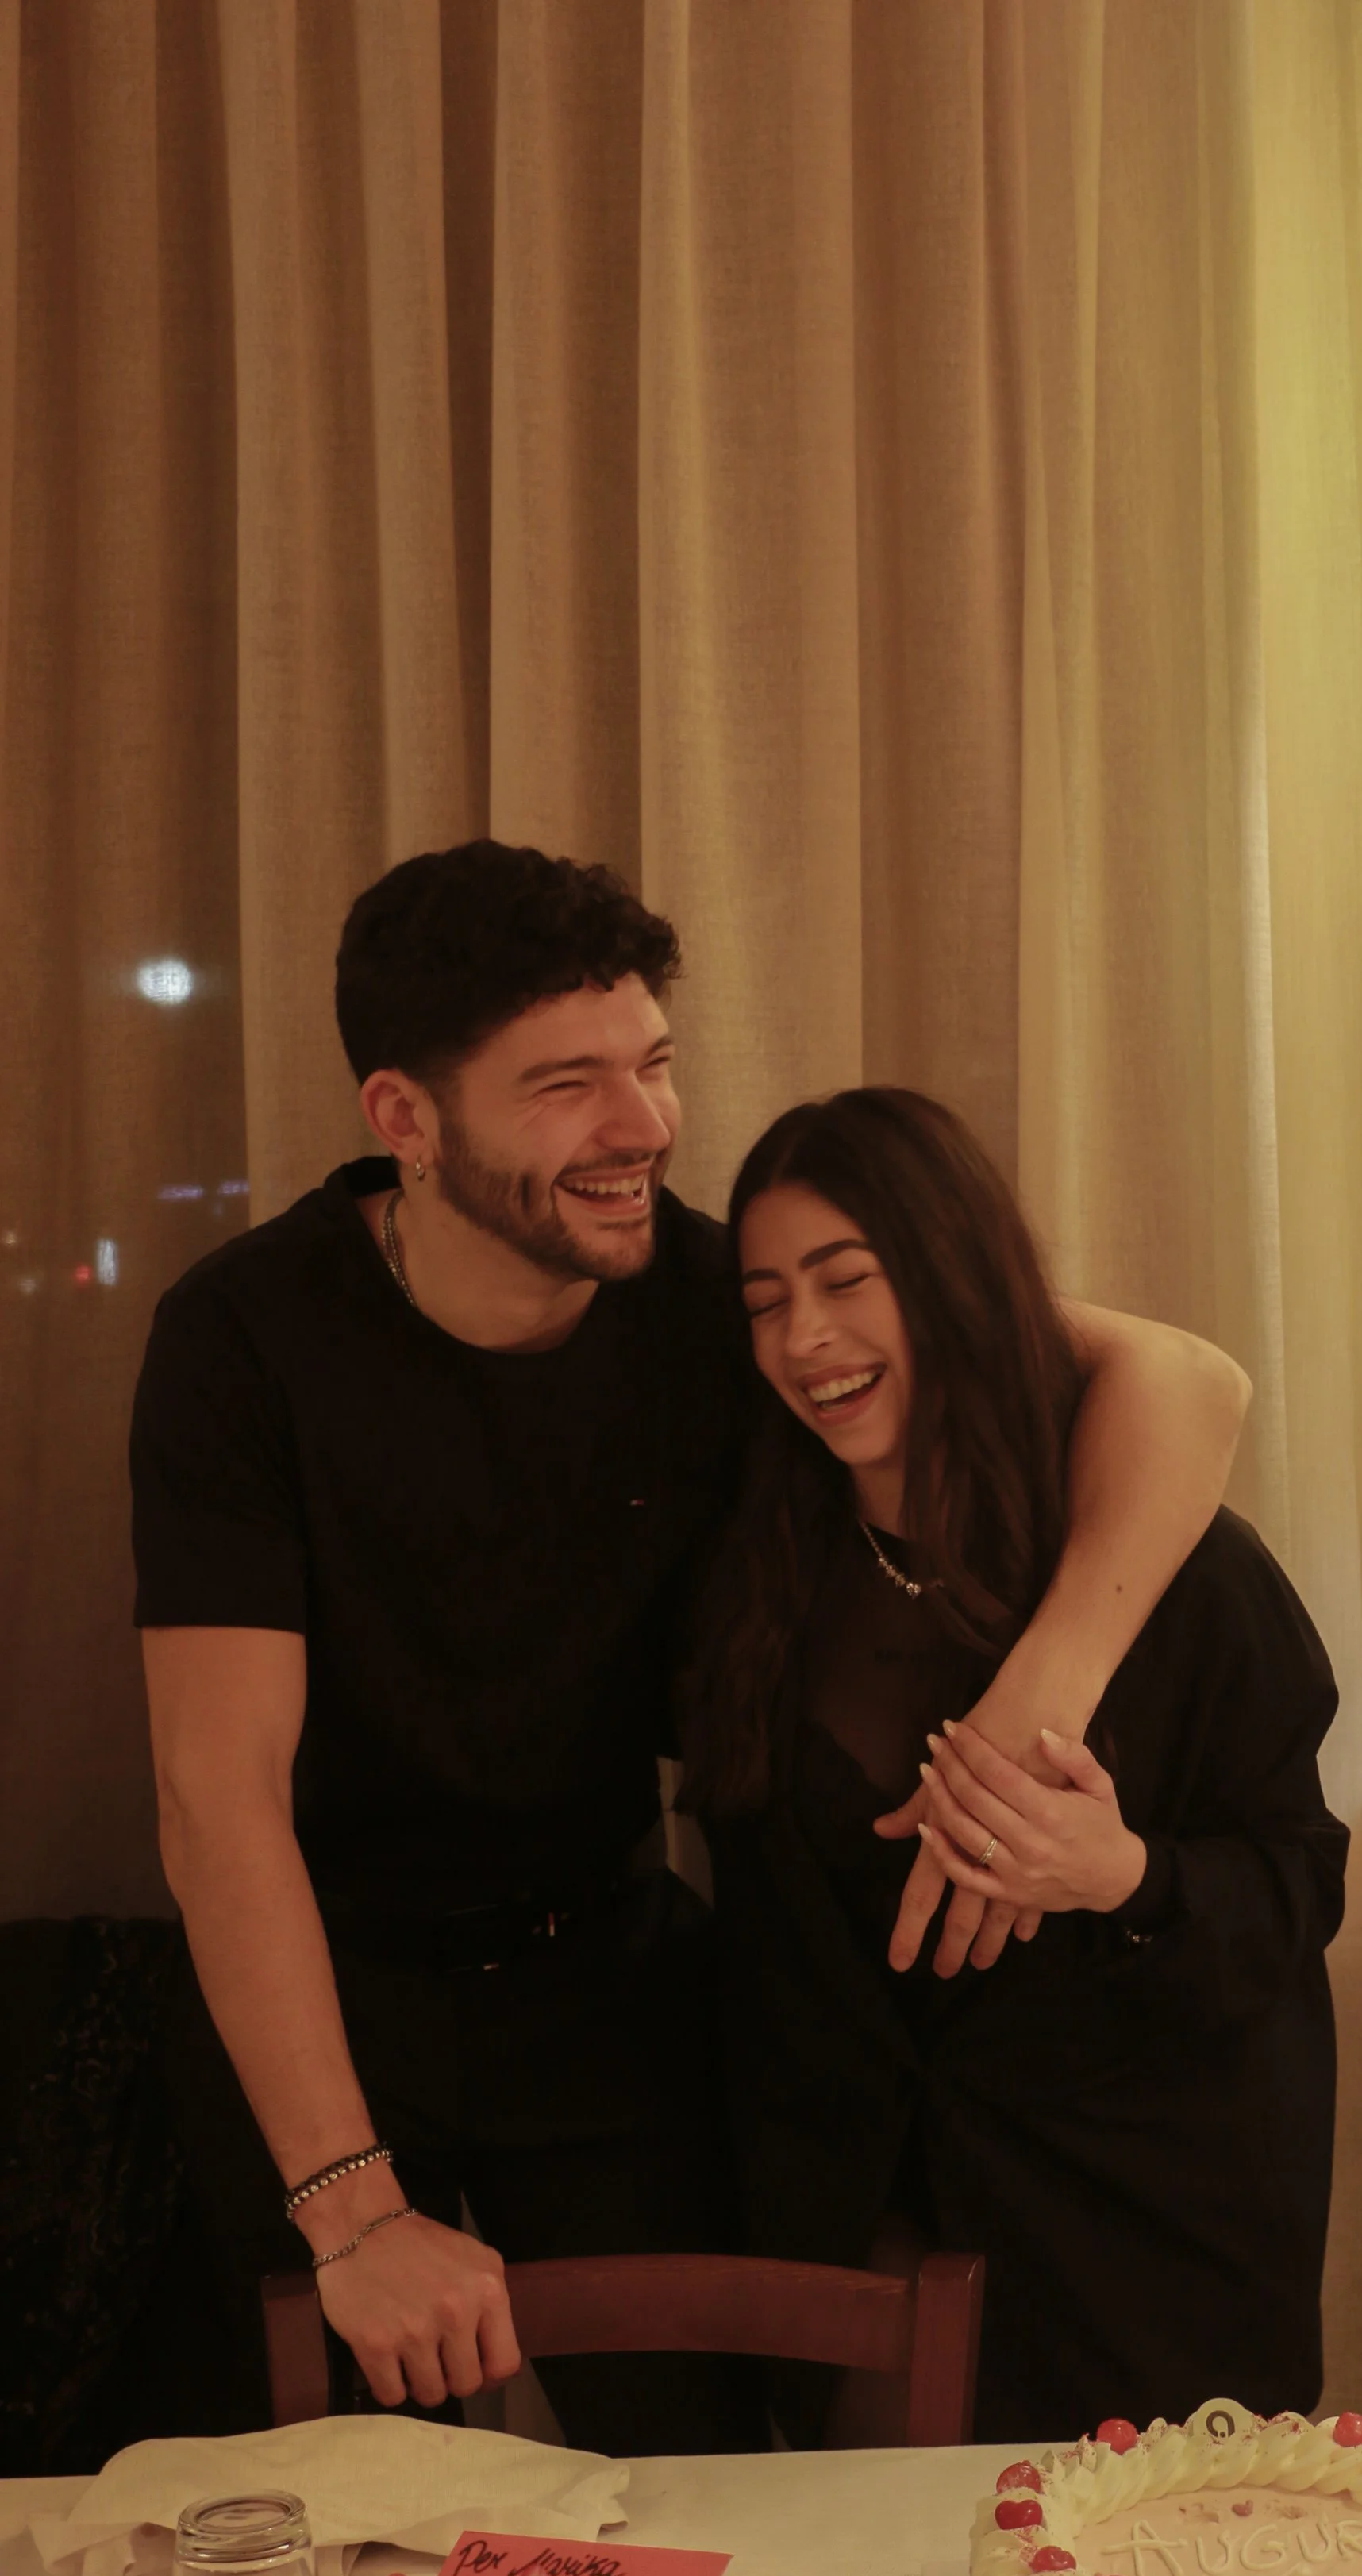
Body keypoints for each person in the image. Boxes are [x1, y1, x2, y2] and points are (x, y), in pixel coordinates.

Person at [130, 841, 1252, 2449]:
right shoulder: (242, 1337)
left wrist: (1031, 1704)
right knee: (286, 2525)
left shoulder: (725, 1298)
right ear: (404, 1119)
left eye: (653, 1067)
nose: (644, 1127)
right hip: (318, 1979)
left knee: (703, 2482)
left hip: (606, 1977)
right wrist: (353, 2206)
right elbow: (213, 1798)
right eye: (567, 1085)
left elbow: (1187, 1381)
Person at [682, 1088, 1348, 2443]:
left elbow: (1296, 1890)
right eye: (763, 1301)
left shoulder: (1182, 1572)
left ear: (949, 1280)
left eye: (848, 1280)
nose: (806, 1339)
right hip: (856, 2235)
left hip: (1140, 2243)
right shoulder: (755, 1575)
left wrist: (1126, 1876)